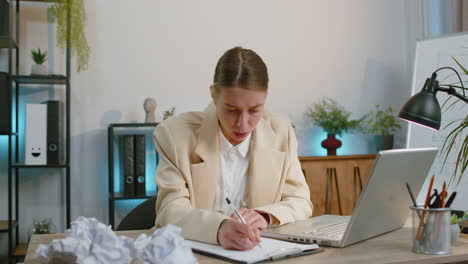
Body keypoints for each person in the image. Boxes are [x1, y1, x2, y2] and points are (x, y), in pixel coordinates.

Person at [153, 47, 312, 250]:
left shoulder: (281, 132)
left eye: (255, 110)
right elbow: (169, 211)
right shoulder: (175, 135)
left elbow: (301, 201)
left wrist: (265, 216)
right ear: (213, 94)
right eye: (232, 110)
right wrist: (218, 228)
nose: (243, 124)